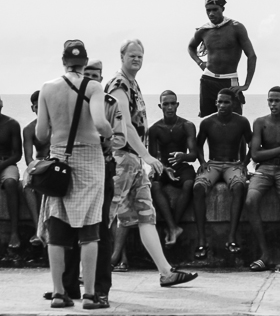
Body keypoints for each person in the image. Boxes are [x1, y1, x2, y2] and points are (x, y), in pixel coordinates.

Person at [105, 39, 197, 287]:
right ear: (122, 56)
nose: (136, 60)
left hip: (133, 161)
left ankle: (166, 272)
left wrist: (141, 158)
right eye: (132, 56)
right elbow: (123, 124)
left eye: (140, 56)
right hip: (121, 158)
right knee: (106, 215)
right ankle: (85, 270)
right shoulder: (118, 84)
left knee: (147, 216)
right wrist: (147, 155)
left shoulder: (133, 83)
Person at [42, 59, 128, 307]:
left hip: (99, 169)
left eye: (95, 75)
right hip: (72, 168)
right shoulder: (68, 95)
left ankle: (99, 289)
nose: (90, 78)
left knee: (98, 231)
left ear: (101, 78)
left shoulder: (109, 103)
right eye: (86, 72)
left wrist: (103, 140)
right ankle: (67, 287)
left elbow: (120, 137)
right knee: (66, 229)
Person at [246, 86, 280, 273]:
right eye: (270, 100)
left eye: (277, 100)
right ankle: (265, 255)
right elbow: (255, 155)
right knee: (250, 200)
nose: (273, 104)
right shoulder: (260, 123)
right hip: (264, 169)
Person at [193, 88, 252, 259]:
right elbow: (198, 145)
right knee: (198, 188)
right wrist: (202, 162)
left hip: (233, 164)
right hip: (214, 163)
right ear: (215, 102)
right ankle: (202, 239)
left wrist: (245, 163)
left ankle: (231, 237)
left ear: (233, 103)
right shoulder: (207, 122)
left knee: (239, 186)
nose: (222, 105)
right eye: (219, 102)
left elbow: (252, 143)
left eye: (226, 102)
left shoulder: (241, 122)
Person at [188, 0, 257, 116]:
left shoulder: (236, 27)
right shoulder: (203, 30)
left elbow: (251, 56)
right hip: (208, 79)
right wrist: (199, 62)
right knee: (207, 119)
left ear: (222, 9)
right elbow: (190, 47)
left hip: (229, 80)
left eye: (215, 9)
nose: (211, 13)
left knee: (235, 119)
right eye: (208, 10)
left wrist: (246, 85)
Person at [148, 90, 197, 248]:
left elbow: (194, 155)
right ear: (160, 106)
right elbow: (152, 157)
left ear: (177, 105)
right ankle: (173, 228)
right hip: (163, 166)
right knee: (154, 185)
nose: (170, 107)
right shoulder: (155, 129)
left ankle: (173, 226)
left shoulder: (187, 125)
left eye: (172, 103)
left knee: (189, 184)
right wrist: (163, 167)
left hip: (182, 166)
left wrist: (183, 156)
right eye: (166, 104)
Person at [22, 91, 49, 246]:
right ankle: (38, 230)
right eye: (38, 107)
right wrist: (37, 168)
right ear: (33, 108)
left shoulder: (58, 125)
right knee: (27, 185)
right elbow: (28, 159)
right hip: (38, 164)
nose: (41, 109)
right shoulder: (29, 129)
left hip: (57, 164)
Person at [0, 94, 23, 251]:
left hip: (7, 162)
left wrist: (2, 164)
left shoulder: (11, 124)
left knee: (10, 183)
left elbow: (17, 154)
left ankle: (14, 232)